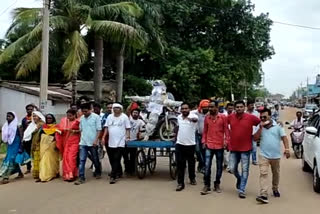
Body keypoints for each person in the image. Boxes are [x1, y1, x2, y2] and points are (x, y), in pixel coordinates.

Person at [253, 108, 290, 204]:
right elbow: (255, 138)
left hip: (276, 155)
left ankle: (275, 188)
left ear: (270, 116)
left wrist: (287, 149)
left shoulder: (278, 126)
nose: (263, 118)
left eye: (264, 116)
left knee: (276, 173)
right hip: (263, 155)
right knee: (263, 174)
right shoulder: (259, 126)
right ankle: (263, 194)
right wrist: (260, 128)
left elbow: (284, 138)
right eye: (261, 117)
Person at [228, 100, 260, 198]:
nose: (239, 108)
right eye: (237, 107)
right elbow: (223, 125)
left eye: (241, 107)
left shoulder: (251, 117)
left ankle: (242, 189)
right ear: (234, 108)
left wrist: (257, 134)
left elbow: (261, 122)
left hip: (246, 148)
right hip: (233, 147)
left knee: (245, 169)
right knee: (232, 169)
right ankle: (239, 178)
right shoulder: (230, 117)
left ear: (244, 107)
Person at [201, 101, 229, 195]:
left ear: (217, 108)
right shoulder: (207, 117)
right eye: (209, 107)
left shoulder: (223, 117)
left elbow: (226, 131)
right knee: (207, 166)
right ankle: (207, 185)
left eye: (212, 107)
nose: (210, 109)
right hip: (209, 144)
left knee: (219, 167)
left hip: (219, 145)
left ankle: (217, 184)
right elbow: (205, 131)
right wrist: (204, 141)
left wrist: (226, 142)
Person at [102, 103, 131, 184]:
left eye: (118, 108)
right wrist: (104, 137)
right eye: (114, 108)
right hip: (111, 141)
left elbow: (127, 128)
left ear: (121, 109)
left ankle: (113, 176)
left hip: (121, 141)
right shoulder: (109, 117)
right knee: (112, 159)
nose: (116, 109)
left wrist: (128, 137)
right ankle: (118, 172)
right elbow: (106, 128)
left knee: (116, 158)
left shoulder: (124, 117)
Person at [74, 103, 102, 185]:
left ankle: (98, 171)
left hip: (93, 142)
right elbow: (81, 130)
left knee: (95, 159)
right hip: (83, 142)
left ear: (90, 110)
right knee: (82, 160)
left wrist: (96, 141)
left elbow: (99, 130)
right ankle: (81, 177)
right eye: (83, 112)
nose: (84, 113)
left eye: (86, 111)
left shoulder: (96, 117)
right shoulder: (82, 118)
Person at [175, 103, 198, 191]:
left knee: (191, 163)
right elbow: (179, 127)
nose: (184, 110)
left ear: (189, 109)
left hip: (191, 144)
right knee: (180, 164)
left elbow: (195, 120)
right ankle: (180, 183)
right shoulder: (179, 117)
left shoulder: (193, 116)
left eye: (186, 108)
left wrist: (189, 118)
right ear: (181, 110)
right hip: (179, 144)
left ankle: (192, 178)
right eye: (183, 109)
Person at [0, 112, 25, 184]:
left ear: (13, 117)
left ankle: (5, 177)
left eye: (9, 116)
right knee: (12, 159)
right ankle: (20, 173)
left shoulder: (18, 126)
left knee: (10, 159)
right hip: (10, 145)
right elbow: (4, 137)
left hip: (16, 145)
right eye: (7, 116)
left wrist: (21, 146)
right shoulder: (6, 126)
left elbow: (21, 137)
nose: (8, 118)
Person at [56, 109, 80, 181]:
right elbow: (60, 129)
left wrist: (74, 131)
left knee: (71, 158)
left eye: (70, 116)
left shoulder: (78, 122)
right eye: (67, 116)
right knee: (65, 158)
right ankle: (67, 175)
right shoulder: (64, 121)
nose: (68, 117)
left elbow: (82, 130)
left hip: (74, 142)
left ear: (74, 115)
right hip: (66, 142)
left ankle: (72, 174)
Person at [23, 111, 45, 182]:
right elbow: (27, 134)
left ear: (39, 117)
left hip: (41, 144)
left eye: (36, 116)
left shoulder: (42, 124)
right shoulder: (32, 125)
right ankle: (37, 173)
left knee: (39, 159)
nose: (34, 117)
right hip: (34, 143)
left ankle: (40, 174)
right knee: (35, 159)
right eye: (33, 116)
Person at [39, 114, 60, 182]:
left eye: (50, 118)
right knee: (44, 161)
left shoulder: (57, 127)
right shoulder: (42, 127)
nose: (48, 119)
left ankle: (54, 173)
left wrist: (57, 145)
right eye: (47, 118)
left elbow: (59, 137)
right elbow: (39, 137)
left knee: (52, 161)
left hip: (52, 146)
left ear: (53, 119)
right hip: (44, 146)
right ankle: (44, 176)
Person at [124, 108, 145, 175]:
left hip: (134, 141)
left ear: (138, 114)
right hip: (126, 141)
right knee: (125, 157)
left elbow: (143, 130)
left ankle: (132, 170)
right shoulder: (128, 119)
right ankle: (127, 169)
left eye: (136, 113)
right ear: (131, 113)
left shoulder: (140, 122)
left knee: (133, 157)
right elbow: (127, 111)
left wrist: (141, 137)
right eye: (134, 112)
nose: (135, 114)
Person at [191, 99, 210, 173]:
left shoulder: (210, 114)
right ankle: (202, 164)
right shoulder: (194, 113)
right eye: (204, 107)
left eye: (207, 107)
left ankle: (202, 166)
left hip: (207, 134)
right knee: (197, 150)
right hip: (196, 133)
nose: (205, 109)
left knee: (204, 151)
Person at [21, 104, 35, 174]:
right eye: (28, 109)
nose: (29, 110)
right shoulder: (24, 119)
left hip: (34, 138)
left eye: (31, 109)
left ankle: (37, 167)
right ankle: (28, 168)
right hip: (27, 139)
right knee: (27, 153)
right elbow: (23, 129)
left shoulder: (36, 118)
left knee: (35, 153)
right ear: (26, 110)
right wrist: (22, 138)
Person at [246, 100, 260, 165]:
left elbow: (259, 123)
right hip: (245, 133)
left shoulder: (256, 113)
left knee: (254, 147)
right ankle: (246, 160)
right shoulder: (244, 113)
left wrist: (257, 133)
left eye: (253, 105)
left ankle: (254, 160)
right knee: (246, 148)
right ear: (247, 106)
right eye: (251, 105)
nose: (252, 106)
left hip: (254, 133)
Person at [224, 102, 234, 170]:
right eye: (229, 108)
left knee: (231, 151)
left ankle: (229, 166)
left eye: (231, 108)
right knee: (225, 151)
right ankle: (226, 163)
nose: (230, 109)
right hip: (225, 135)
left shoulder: (235, 115)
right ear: (226, 108)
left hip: (233, 135)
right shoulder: (223, 115)